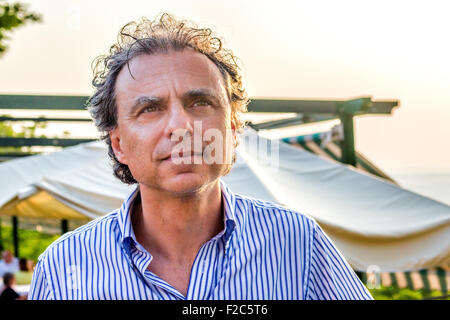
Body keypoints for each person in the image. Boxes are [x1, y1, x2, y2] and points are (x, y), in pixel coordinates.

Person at [28, 13, 373, 300]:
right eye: (150, 108)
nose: (181, 126)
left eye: (200, 103)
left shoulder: (298, 245)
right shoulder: (63, 270)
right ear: (118, 144)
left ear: (234, 129)